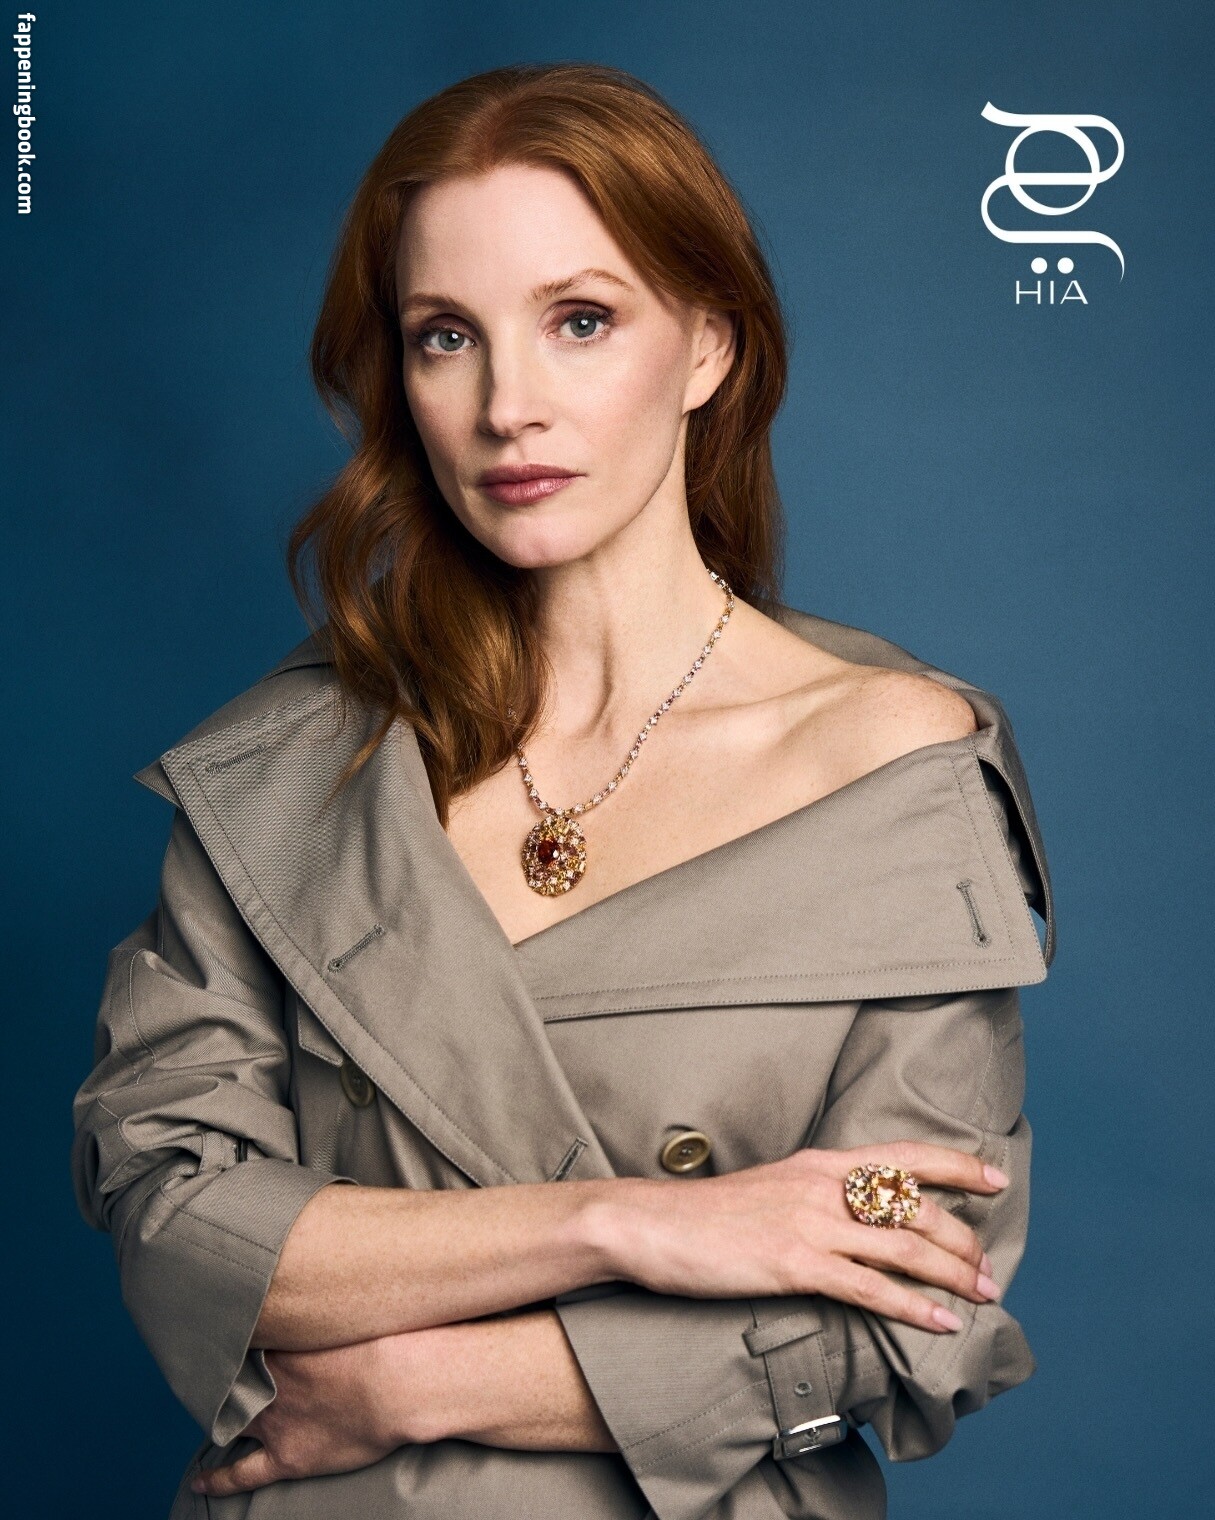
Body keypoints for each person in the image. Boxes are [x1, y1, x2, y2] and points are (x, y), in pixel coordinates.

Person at [70, 62, 1055, 1520]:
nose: (506, 407)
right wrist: (630, 1222)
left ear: (707, 345)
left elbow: (915, 1301)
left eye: (580, 321)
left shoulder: (894, 766)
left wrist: (418, 1385)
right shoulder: (288, 769)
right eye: (445, 337)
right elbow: (173, 1216)